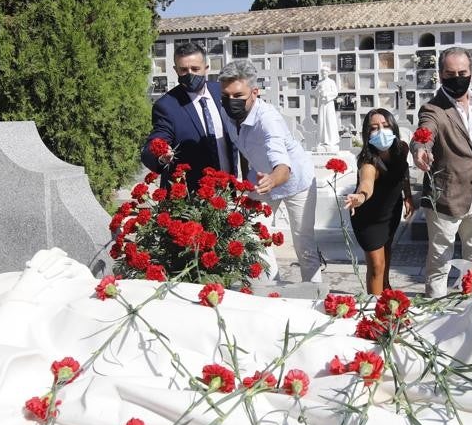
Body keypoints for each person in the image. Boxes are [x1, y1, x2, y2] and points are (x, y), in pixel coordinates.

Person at [219, 60, 322, 283]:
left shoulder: (268, 120)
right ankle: (270, 288)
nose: (231, 102)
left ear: (254, 93)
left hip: (295, 181)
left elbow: (283, 166)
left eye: (238, 96)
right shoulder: (226, 112)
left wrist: (272, 179)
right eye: (226, 96)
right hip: (260, 180)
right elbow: (244, 149)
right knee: (254, 236)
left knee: (303, 242)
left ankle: (314, 296)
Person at [411, 47, 472, 298]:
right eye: (450, 73)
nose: (457, 77)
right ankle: (436, 314)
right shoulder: (433, 109)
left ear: (471, 72)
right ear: (440, 74)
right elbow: (424, 134)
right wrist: (420, 149)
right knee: (439, 262)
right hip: (446, 197)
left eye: (463, 72)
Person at [140, 42, 237, 190]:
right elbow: (153, 145)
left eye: (195, 69)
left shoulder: (222, 92)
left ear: (206, 68)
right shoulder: (167, 106)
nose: (190, 74)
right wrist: (160, 156)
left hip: (227, 189)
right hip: (191, 197)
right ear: (176, 70)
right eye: (184, 70)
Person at [343, 109, 415, 294]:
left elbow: (404, 171)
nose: (381, 131)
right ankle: (375, 310)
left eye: (385, 126)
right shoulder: (368, 162)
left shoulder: (402, 148)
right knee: (376, 265)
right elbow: (366, 183)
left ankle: (386, 287)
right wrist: (359, 197)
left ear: (393, 127)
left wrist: (407, 196)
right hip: (368, 217)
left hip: (390, 211)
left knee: (387, 251)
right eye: (374, 128)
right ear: (367, 134)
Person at [317, 66, 340, 151]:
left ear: (328, 73)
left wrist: (326, 95)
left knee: (329, 121)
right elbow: (316, 93)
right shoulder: (319, 82)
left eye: (325, 72)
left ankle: (331, 140)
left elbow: (335, 93)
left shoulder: (331, 82)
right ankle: (322, 140)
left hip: (329, 104)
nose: (323, 73)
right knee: (322, 121)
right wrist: (319, 92)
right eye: (322, 72)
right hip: (322, 105)